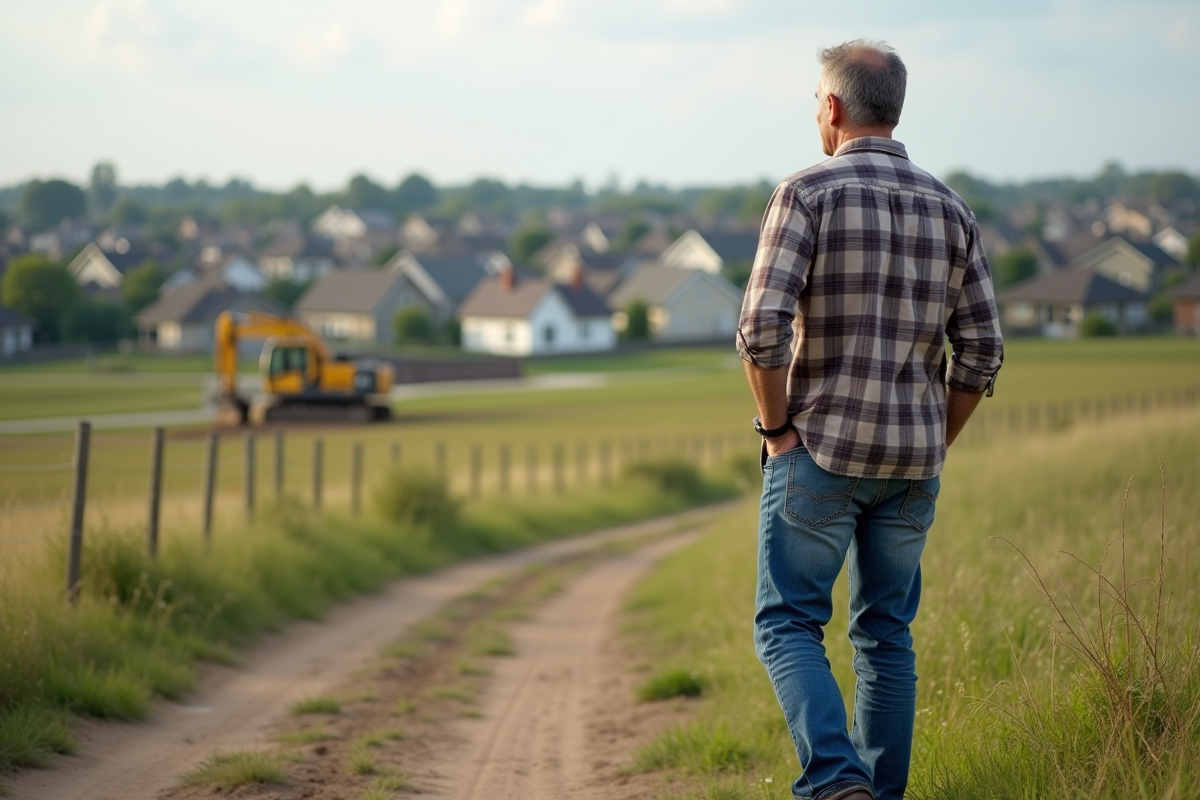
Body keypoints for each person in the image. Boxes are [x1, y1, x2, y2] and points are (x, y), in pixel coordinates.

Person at [736, 40, 1004, 800]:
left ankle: (834, 779)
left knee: (788, 623)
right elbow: (983, 349)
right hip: (913, 466)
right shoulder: (952, 208)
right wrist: (933, 441)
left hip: (818, 451)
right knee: (886, 636)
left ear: (831, 106)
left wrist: (776, 431)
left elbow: (759, 329)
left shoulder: (805, 194)